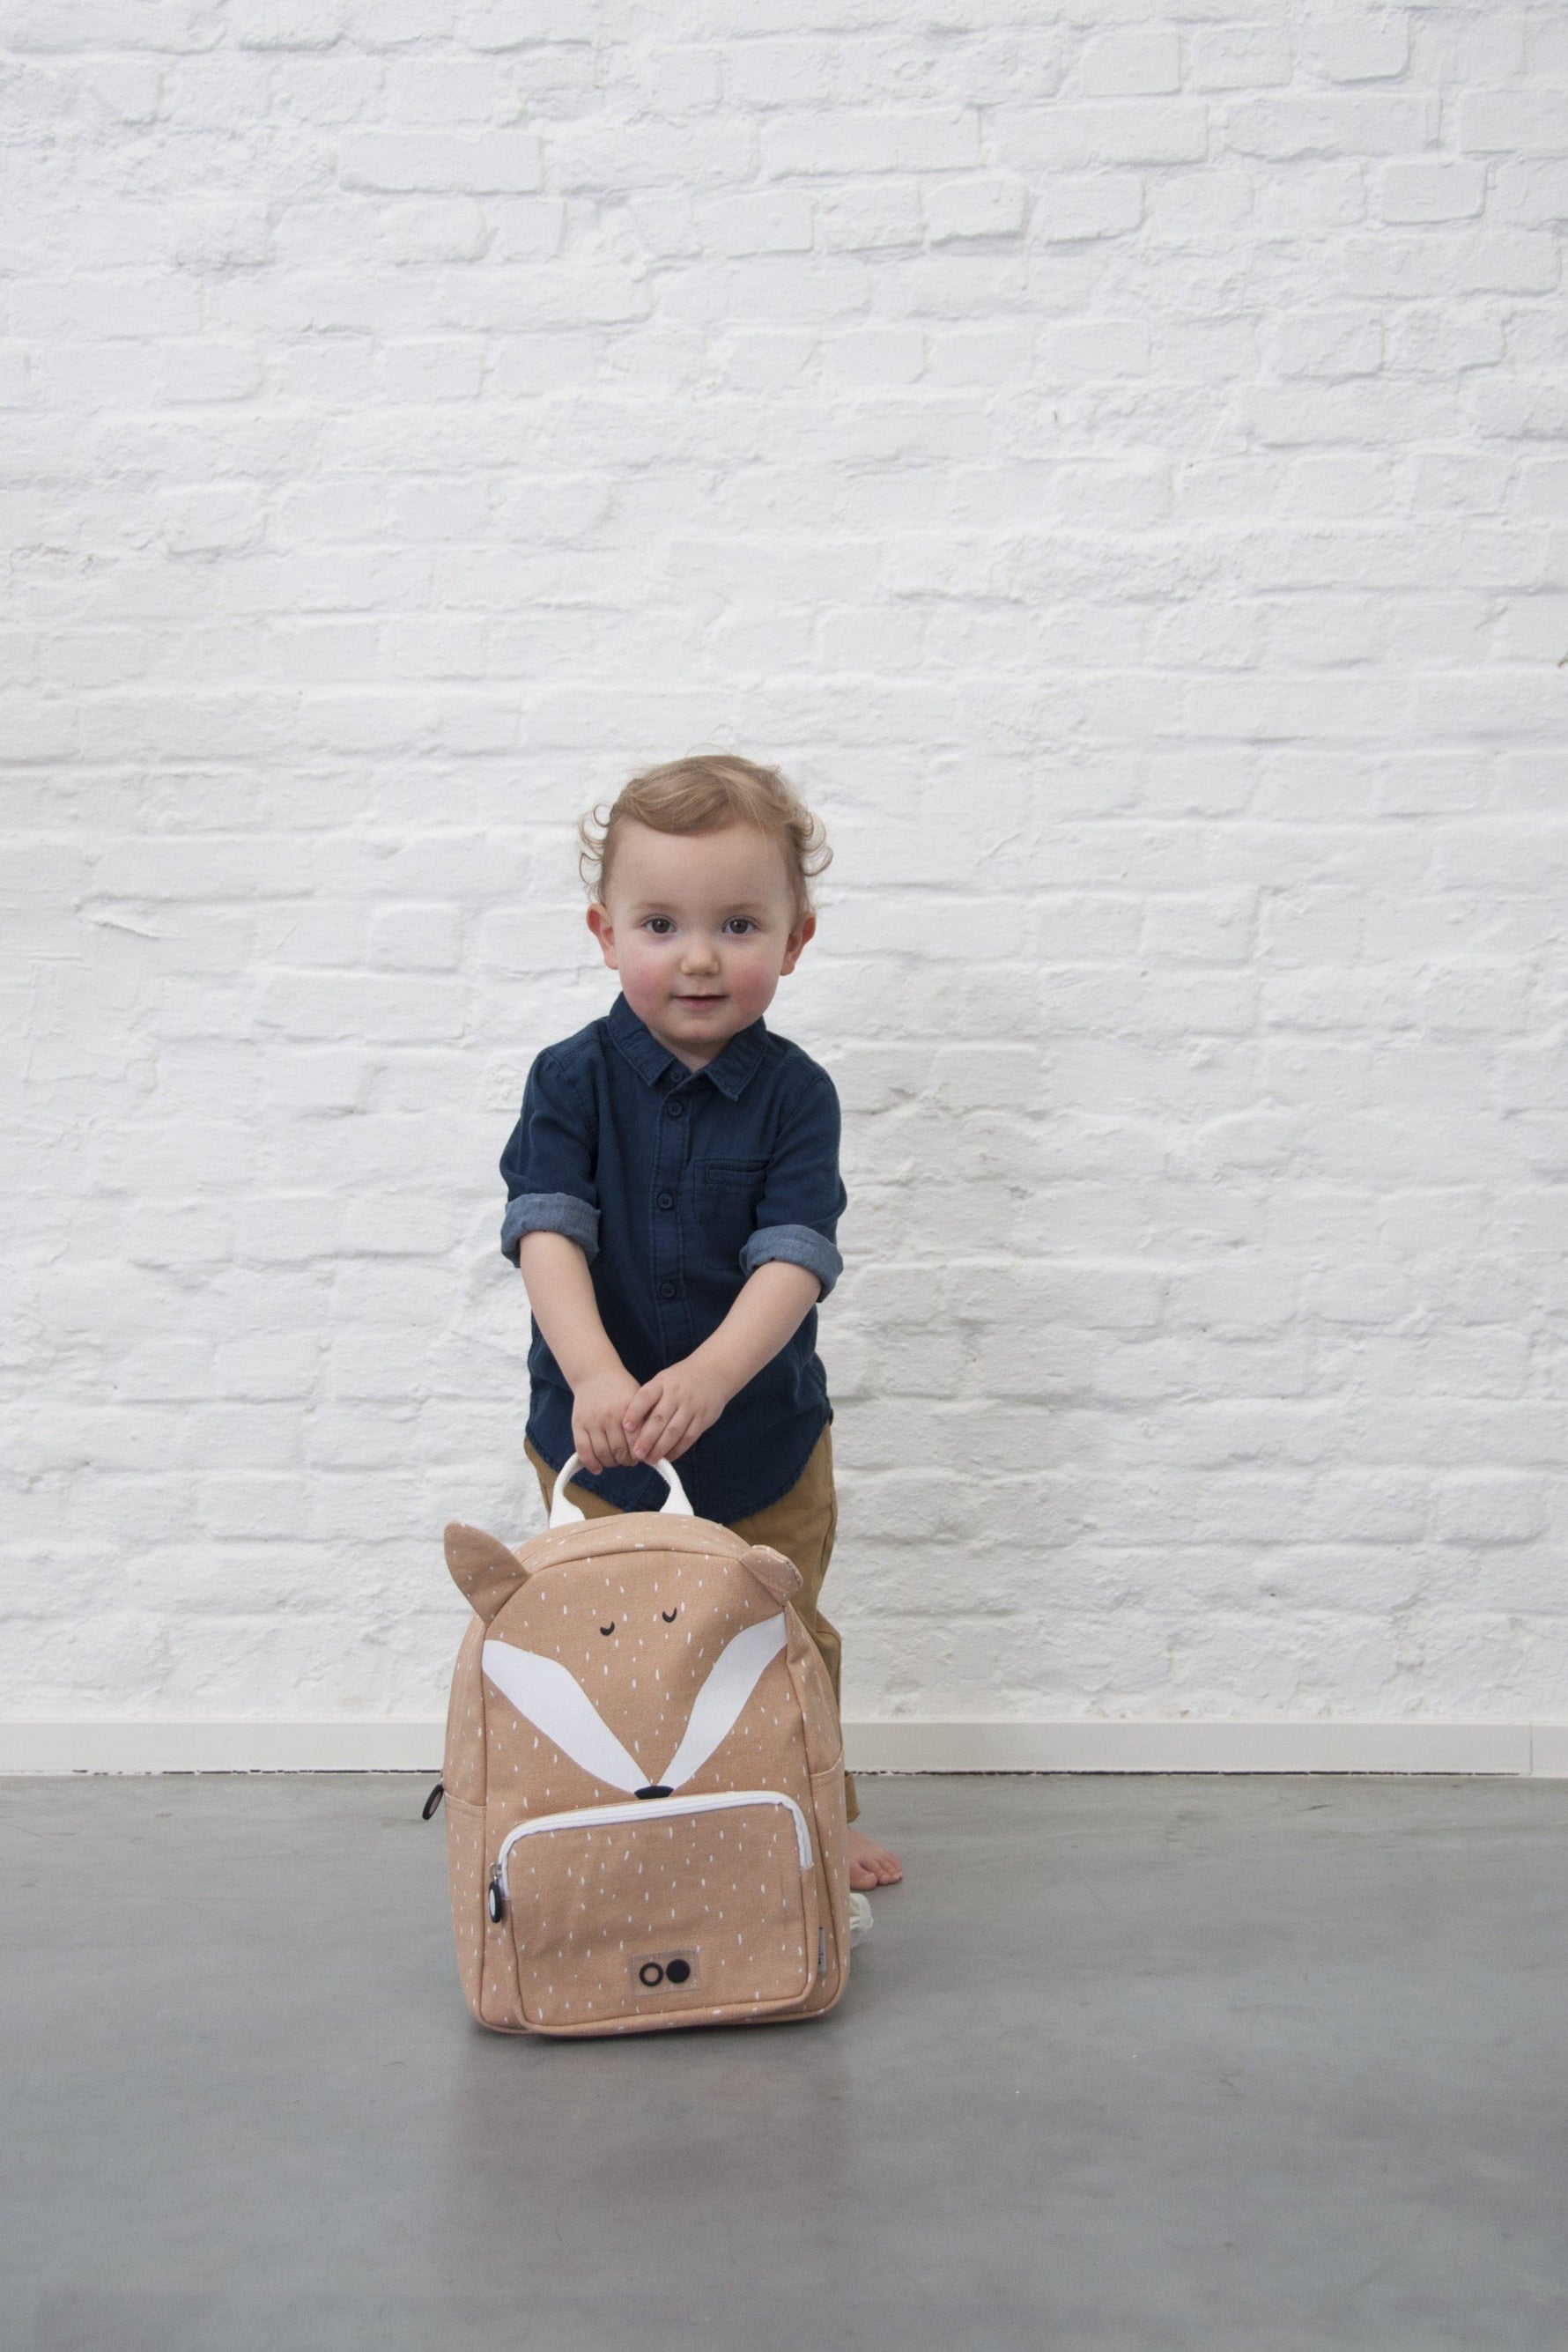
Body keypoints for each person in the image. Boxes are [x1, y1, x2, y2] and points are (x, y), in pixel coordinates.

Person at [498, 752, 903, 1894]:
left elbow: (795, 1257)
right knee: (602, 1640)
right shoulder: (569, 1081)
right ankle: (602, 1812)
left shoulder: (797, 1094)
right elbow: (547, 1234)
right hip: (595, 1437)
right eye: (661, 924)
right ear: (605, 932)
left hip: (764, 1438)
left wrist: (717, 1375)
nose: (698, 958)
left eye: (737, 925)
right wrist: (594, 1374)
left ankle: (811, 1809)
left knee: (781, 1632)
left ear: (795, 940)